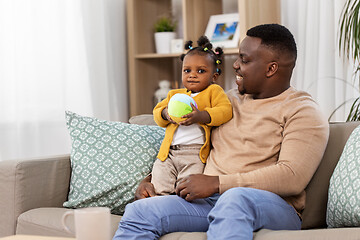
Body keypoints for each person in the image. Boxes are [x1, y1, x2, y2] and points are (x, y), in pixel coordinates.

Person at [113, 23, 329, 240]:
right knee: (140, 211)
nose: (235, 65)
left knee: (234, 199)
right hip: (209, 201)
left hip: (272, 206)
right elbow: (190, 145)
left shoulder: (302, 110)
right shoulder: (226, 101)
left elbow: (292, 177)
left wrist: (217, 183)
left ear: (271, 68)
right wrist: (151, 181)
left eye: (244, 60)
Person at [151, 36, 232, 195]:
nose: (192, 75)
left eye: (201, 71)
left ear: (214, 77)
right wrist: (166, 114)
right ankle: (160, 204)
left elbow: (225, 110)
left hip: (194, 154)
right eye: (187, 70)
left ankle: (179, 207)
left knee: (186, 188)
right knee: (159, 181)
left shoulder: (213, 92)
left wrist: (201, 116)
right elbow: (156, 112)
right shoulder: (174, 94)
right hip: (169, 153)